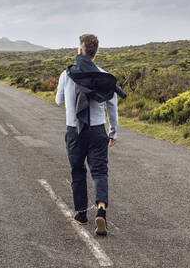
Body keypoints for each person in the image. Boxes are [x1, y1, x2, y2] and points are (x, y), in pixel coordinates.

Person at [55, 34, 119, 236]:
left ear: (80, 50)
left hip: (74, 130)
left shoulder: (67, 74)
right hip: (98, 129)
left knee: (77, 170)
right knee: (99, 170)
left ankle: (82, 213)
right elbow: (112, 106)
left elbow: (58, 101)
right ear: (95, 53)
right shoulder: (104, 75)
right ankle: (101, 209)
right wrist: (113, 131)